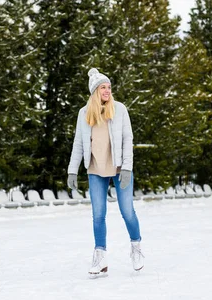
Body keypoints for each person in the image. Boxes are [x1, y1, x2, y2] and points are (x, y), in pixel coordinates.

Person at [67, 68, 144, 276]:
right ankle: (100, 257)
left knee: (127, 211)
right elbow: (78, 144)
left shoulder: (119, 109)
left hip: (119, 169)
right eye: (103, 87)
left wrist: (127, 167)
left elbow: (128, 139)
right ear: (95, 91)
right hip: (95, 169)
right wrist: (72, 170)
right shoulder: (84, 114)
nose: (107, 90)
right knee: (98, 215)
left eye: (109, 87)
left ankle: (136, 248)